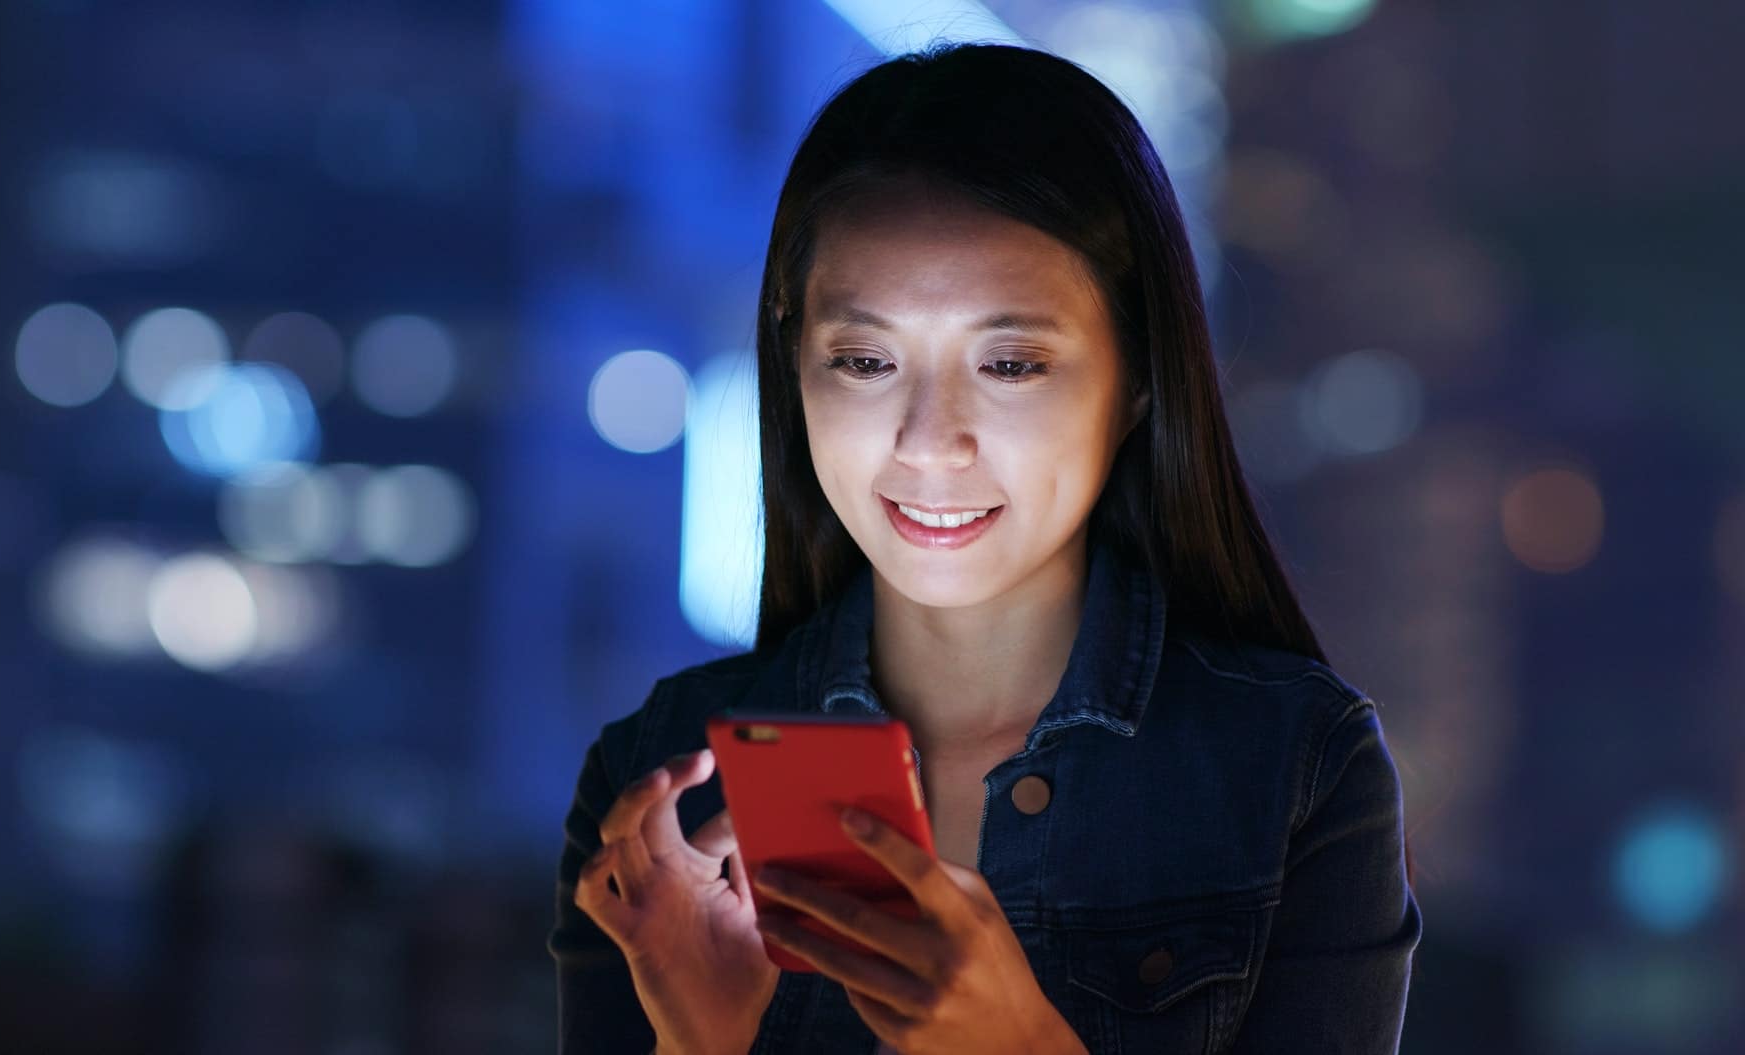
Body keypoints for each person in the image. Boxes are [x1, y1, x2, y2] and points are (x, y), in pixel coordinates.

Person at [547, 42, 1421, 1055]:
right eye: (864, 360)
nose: (927, 438)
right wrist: (699, 1042)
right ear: (792, 369)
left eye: (1008, 362)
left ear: (1137, 377)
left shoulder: (1290, 770)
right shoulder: (664, 779)